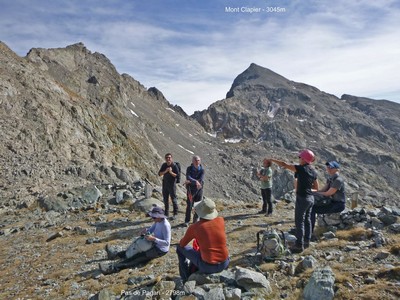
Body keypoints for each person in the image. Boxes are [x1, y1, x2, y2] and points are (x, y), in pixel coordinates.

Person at [269, 149, 319, 253]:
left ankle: (299, 245)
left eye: (300, 157)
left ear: (304, 159)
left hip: (302, 198)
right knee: (308, 220)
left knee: (299, 222)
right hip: (311, 199)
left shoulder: (301, 169)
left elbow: (284, 164)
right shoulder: (313, 171)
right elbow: (316, 187)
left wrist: (272, 159)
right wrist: (308, 190)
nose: (299, 159)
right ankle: (307, 241)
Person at [99, 206, 171, 274]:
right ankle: (115, 255)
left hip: (160, 250)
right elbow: (151, 229)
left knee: (137, 257)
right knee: (135, 248)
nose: (153, 218)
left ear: (159, 216)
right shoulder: (157, 221)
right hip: (153, 243)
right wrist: (146, 231)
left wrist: (154, 239)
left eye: (154, 217)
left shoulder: (166, 225)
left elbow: (167, 243)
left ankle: (113, 268)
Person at [176, 198, 229, 282]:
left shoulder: (195, 227)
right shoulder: (221, 220)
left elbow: (182, 244)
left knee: (179, 248)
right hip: (225, 263)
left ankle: (185, 278)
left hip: (208, 267)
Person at [311, 161, 346, 232]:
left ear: (337, 169)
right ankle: (307, 229)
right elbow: (323, 190)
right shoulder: (330, 179)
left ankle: (309, 231)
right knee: (311, 207)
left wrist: (315, 194)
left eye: (331, 167)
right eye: (328, 167)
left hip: (338, 204)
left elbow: (328, 193)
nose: (329, 169)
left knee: (312, 209)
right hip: (331, 202)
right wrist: (310, 191)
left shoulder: (338, 180)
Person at [184, 155, 205, 226]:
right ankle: (187, 220)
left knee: (198, 205)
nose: (197, 162)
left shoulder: (202, 169)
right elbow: (188, 177)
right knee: (189, 205)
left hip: (199, 190)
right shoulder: (189, 168)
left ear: (200, 161)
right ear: (192, 161)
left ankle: (195, 220)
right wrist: (195, 182)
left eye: (198, 160)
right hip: (190, 190)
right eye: (195, 160)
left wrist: (192, 181)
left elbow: (201, 179)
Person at [158, 153, 180, 219]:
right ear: (165, 159)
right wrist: (165, 171)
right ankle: (166, 213)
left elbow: (177, 176)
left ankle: (175, 213)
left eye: (169, 157)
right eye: (167, 157)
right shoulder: (164, 165)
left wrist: (170, 172)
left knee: (173, 199)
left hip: (172, 184)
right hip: (165, 184)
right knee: (165, 199)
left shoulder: (174, 166)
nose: (168, 159)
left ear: (171, 158)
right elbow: (159, 174)